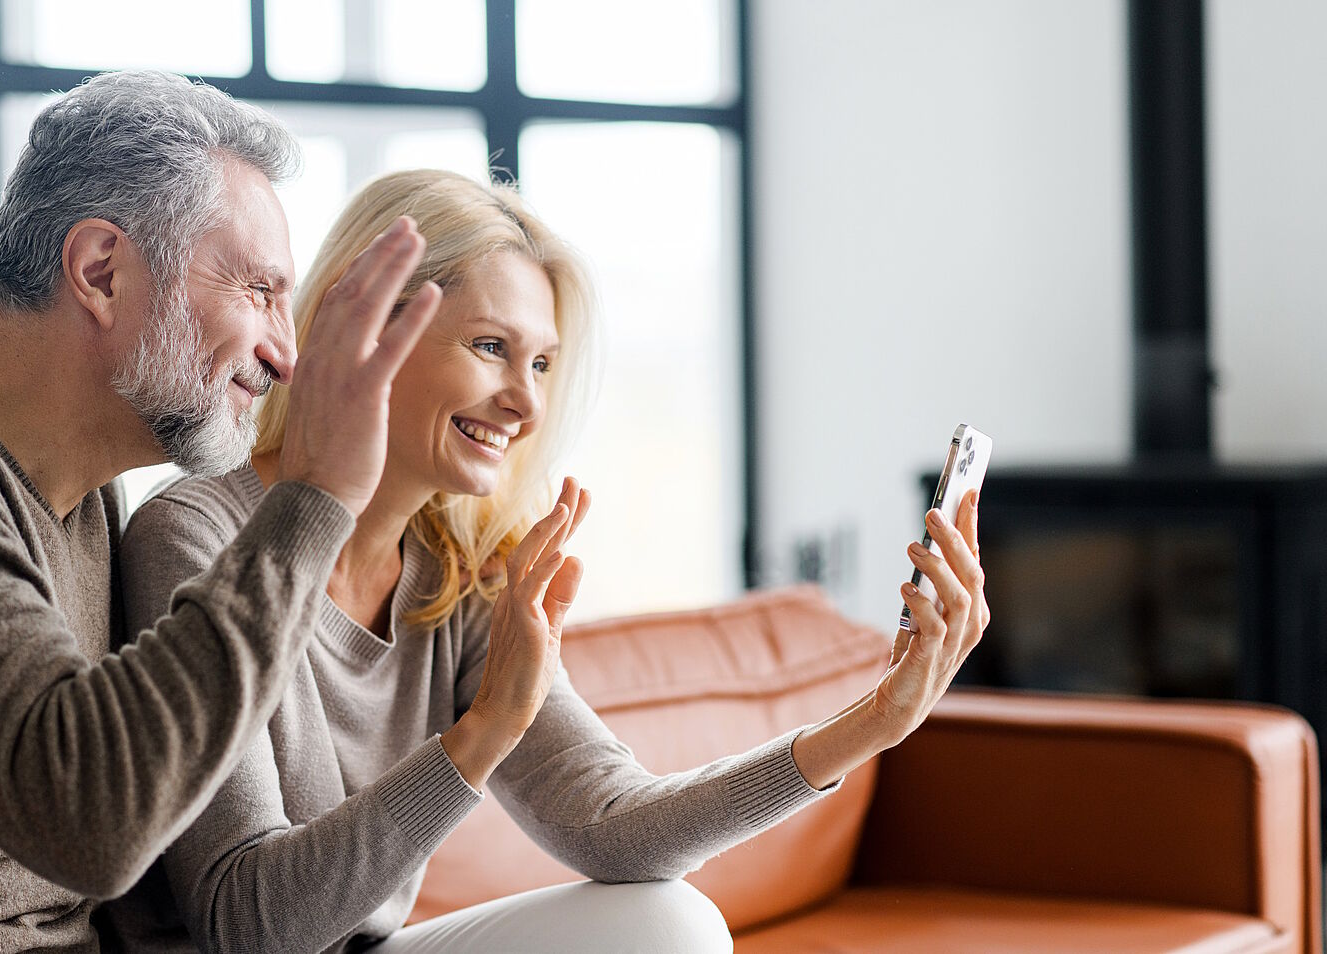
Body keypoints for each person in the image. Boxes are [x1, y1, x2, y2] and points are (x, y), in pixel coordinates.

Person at [99, 169, 991, 953]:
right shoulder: (196, 535)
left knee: (669, 926)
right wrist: (483, 733)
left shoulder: (463, 571)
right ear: (372, 326)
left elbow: (617, 828)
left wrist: (874, 723)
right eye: (491, 347)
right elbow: (248, 924)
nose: (525, 401)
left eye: (543, 363)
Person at [0, 70, 442, 949]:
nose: (285, 356)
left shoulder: (84, 497)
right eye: (258, 292)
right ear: (101, 269)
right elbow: (94, 821)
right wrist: (315, 497)